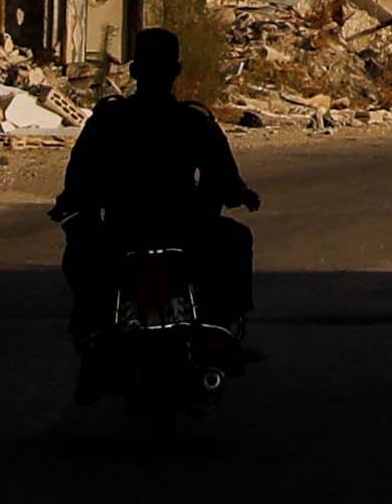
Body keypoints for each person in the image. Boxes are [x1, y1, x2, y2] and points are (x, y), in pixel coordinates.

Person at [50, 26, 253, 373]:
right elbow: (224, 176)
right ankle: (220, 330)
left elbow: (80, 175)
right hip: (182, 228)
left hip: (123, 227)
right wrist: (237, 195)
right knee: (235, 242)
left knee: (83, 255)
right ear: (175, 71)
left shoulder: (110, 118)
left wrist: (72, 204)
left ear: (134, 71)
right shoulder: (193, 120)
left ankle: (93, 336)